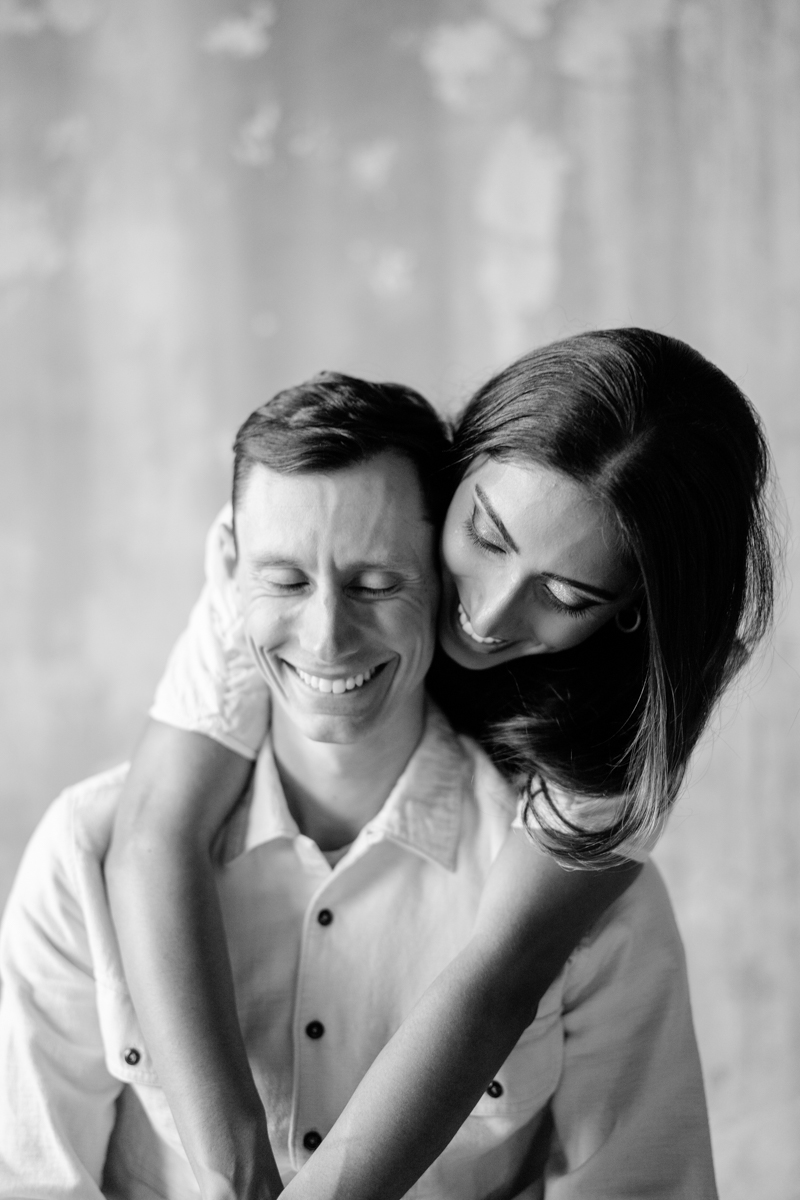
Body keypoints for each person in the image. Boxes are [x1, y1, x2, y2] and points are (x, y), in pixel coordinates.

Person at [0, 373, 718, 1199]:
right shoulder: (83, 849)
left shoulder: (600, 867)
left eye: (377, 583)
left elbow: (509, 989)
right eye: (289, 581)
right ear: (232, 566)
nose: (327, 635)